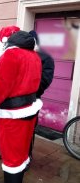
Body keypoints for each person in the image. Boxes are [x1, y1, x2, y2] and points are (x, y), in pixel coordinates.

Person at [0, 26, 42, 183]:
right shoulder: (34, 55)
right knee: (21, 154)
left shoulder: (10, 55)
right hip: (30, 111)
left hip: (12, 116)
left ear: (3, 42)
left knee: (11, 157)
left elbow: (1, 88)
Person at [28, 30, 55, 159]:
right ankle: (12, 151)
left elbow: (45, 80)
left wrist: (28, 88)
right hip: (16, 99)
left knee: (29, 128)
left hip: (33, 98)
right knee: (15, 127)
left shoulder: (45, 57)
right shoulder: (23, 55)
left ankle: (27, 155)